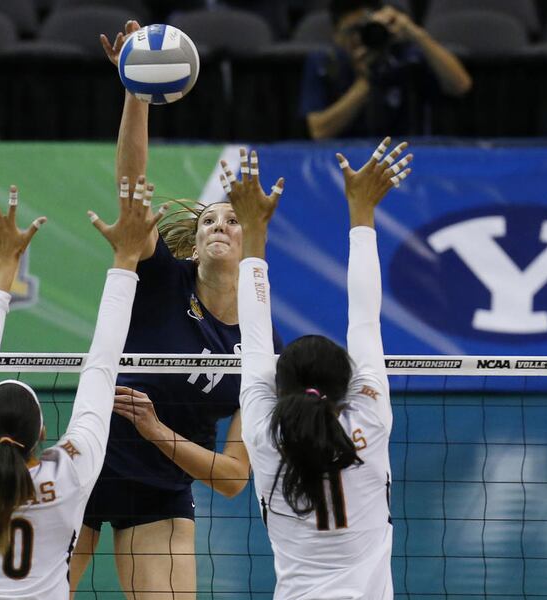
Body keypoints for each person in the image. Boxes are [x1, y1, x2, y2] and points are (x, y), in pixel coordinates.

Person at [69, 20, 282, 600]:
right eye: (209, 219)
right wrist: (136, 95)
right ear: (195, 242)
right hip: (90, 460)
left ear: (251, 240)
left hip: (162, 488)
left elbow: (234, 478)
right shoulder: (163, 278)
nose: (219, 225)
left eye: (232, 220)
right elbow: (132, 189)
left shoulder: (263, 343)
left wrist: (155, 430)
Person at [0, 180, 164, 598]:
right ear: (41, 433)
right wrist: (127, 259)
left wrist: (3, 264)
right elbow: (102, 366)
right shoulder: (68, 474)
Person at [227, 137, 411, 598]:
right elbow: (365, 321)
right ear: (346, 384)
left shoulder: (263, 434)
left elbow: (254, 336)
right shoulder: (370, 419)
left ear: (279, 385)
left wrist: (253, 231)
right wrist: (362, 210)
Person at [301, 0, 472, 139]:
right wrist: (367, 80)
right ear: (336, 35)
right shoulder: (325, 63)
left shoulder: (405, 56)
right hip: (346, 162)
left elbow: (461, 86)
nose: (360, 38)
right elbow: (319, 131)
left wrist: (415, 33)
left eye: (365, 29)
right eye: (352, 31)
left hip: (406, 157)